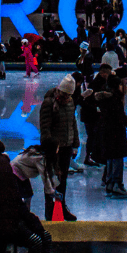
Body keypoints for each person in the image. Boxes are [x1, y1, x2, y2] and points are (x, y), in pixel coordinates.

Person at [39, 75, 80, 219]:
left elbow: (73, 123)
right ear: (59, 91)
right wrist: (50, 145)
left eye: (69, 95)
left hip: (66, 147)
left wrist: (75, 142)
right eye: (65, 95)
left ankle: (62, 207)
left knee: (62, 181)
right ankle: (49, 211)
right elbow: (45, 128)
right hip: (53, 149)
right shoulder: (49, 103)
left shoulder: (70, 103)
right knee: (51, 181)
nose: (67, 98)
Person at [95, 74, 127, 199]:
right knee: (117, 158)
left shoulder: (105, 98)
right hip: (115, 133)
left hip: (107, 131)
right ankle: (116, 184)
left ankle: (110, 183)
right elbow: (120, 117)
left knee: (111, 157)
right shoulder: (115, 99)